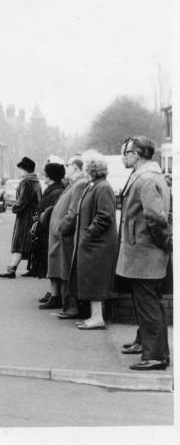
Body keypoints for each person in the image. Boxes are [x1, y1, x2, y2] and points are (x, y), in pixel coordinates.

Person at [113, 136, 172, 371]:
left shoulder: (146, 179)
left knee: (148, 304)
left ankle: (156, 355)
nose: (123, 157)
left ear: (136, 154)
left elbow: (156, 218)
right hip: (144, 253)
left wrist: (163, 242)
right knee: (146, 303)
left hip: (146, 253)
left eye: (126, 153)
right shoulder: (149, 176)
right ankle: (144, 343)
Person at [68, 150, 118, 330]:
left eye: (86, 167)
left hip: (98, 244)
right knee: (90, 280)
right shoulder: (95, 185)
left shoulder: (102, 187)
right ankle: (94, 316)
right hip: (93, 243)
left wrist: (87, 235)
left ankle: (97, 318)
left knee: (95, 280)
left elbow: (105, 216)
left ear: (91, 169)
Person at [45, 155, 88, 318]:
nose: (65, 168)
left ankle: (71, 308)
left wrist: (62, 227)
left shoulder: (80, 184)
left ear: (75, 168)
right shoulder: (74, 183)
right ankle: (65, 305)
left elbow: (74, 211)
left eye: (68, 165)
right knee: (61, 270)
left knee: (66, 272)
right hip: (61, 235)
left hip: (65, 236)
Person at [0, 156, 42, 278]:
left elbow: (22, 200)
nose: (20, 171)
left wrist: (14, 207)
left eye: (21, 168)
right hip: (34, 216)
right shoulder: (36, 182)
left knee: (20, 243)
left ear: (25, 169)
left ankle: (11, 269)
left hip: (25, 217)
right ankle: (32, 268)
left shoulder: (26, 182)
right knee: (31, 243)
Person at [29, 159, 66, 285]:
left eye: (45, 173)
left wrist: (40, 220)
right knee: (49, 262)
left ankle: (54, 294)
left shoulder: (56, 192)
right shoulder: (53, 190)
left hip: (49, 231)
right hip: (45, 230)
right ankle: (52, 292)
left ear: (50, 176)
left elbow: (51, 213)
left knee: (52, 263)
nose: (43, 175)